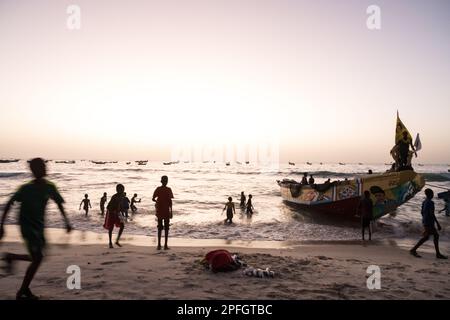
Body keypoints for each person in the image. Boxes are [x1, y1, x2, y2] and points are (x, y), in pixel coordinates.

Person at [0, 158, 72, 300]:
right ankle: (22, 291)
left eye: (45, 166)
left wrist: (67, 222)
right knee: (38, 258)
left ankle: (12, 257)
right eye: (41, 167)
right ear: (34, 171)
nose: (45, 169)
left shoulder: (50, 186)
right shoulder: (26, 188)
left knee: (38, 257)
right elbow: (9, 203)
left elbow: (59, 204)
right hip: (26, 225)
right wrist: (2, 225)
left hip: (39, 226)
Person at [410, 189, 447, 259]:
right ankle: (413, 250)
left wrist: (424, 221)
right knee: (435, 236)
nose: (433, 195)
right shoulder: (431, 202)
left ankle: (414, 250)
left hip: (425, 221)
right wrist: (437, 223)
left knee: (428, 237)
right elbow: (431, 214)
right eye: (432, 193)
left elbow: (422, 212)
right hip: (429, 222)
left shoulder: (424, 202)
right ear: (430, 194)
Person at [152, 176, 174, 250]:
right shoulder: (168, 189)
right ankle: (165, 245)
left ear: (161, 181)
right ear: (167, 181)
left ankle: (158, 245)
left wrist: (158, 202)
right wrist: (171, 211)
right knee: (166, 228)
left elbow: (153, 198)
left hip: (159, 210)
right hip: (166, 211)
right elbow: (170, 202)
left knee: (159, 228)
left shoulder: (158, 189)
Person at [103, 184, 126, 248]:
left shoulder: (122, 196)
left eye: (123, 189)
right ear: (117, 190)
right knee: (111, 227)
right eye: (120, 190)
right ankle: (110, 242)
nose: (122, 191)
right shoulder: (114, 197)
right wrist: (114, 211)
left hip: (117, 213)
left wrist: (122, 210)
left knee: (122, 225)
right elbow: (109, 206)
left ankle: (117, 241)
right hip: (111, 212)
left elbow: (120, 205)